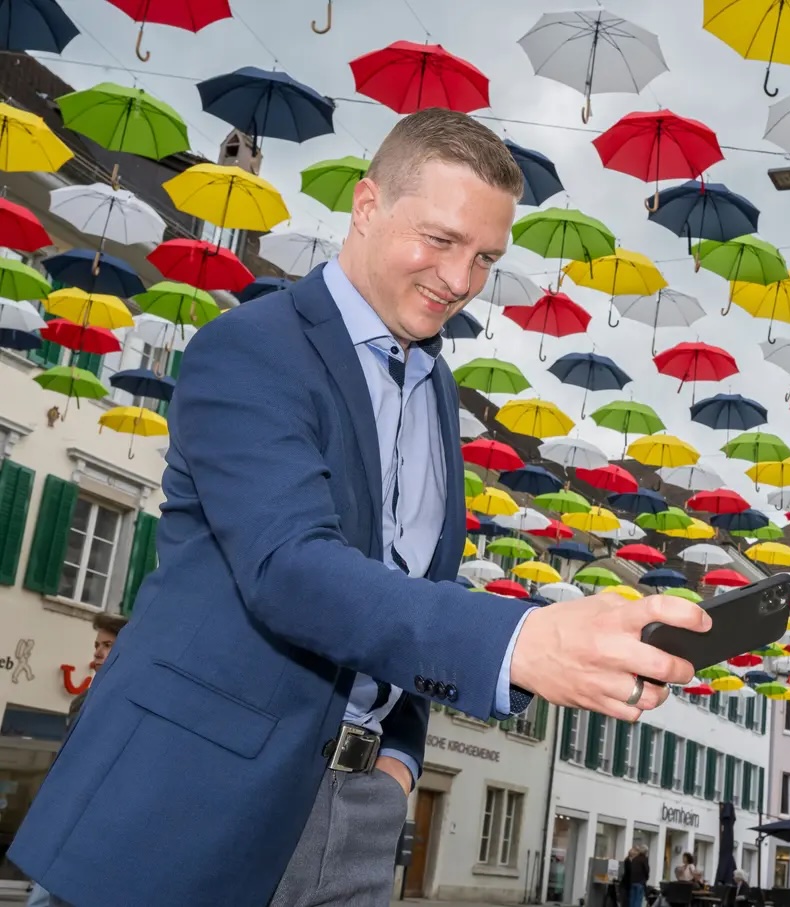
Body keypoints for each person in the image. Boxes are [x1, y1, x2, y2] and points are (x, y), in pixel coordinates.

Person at [7, 108, 710, 907]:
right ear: (367, 207)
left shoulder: (440, 391)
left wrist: (401, 759)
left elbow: (411, 584)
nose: (460, 280)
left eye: (485, 258)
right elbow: (291, 569)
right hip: (189, 804)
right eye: (440, 241)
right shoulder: (253, 345)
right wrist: (515, 642)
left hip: (361, 812)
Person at [25, 613, 127, 907]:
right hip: (67, 818)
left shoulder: (132, 702)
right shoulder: (82, 701)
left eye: (107, 645)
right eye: (96, 644)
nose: (96, 652)